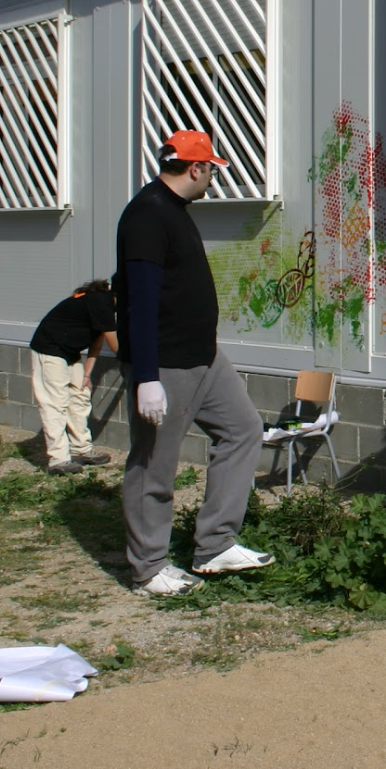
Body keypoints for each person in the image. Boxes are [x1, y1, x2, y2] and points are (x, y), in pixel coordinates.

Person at [115, 130, 274, 597]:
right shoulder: (147, 215)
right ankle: (148, 568)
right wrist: (147, 377)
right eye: (211, 171)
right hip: (166, 364)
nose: (211, 180)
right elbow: (140, 300)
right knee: (153, 465)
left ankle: (215, 545)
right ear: (197, 168)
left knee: (243, 430)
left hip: (204, 358)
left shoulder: (174, 210)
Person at [30, 279, 118, 475]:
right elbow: (115, 346)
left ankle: (81, 449)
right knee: (55, 403)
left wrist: (86, 374)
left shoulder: (105, 305)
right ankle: (58, 460)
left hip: (70, 352)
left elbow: (97, 342)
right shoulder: (100, 302)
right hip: (49, 349)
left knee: (80, 397)